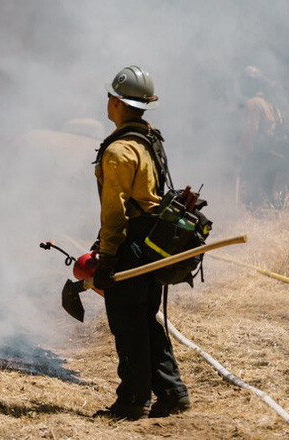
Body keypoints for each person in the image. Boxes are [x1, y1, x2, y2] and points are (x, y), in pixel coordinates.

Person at [91, 66, 190, 420]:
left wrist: (107, 258)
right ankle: (171, 393)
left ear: (117, 102)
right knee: (146, 319)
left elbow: (115, 210)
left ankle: (132, 400)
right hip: (152, 241)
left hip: (132, 244)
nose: (107, 102)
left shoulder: (119, 150)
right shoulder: (149, 140)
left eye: (109, 97)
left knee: (128, 322)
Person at [237, 66, 289, 206]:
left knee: (251, 196)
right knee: (267, 195)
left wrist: (242, 154)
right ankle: (272, 218)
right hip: (271, 156)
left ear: (251, 83)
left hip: (258, 156)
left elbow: (251, 130)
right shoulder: (270, 105)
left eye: (244, 81)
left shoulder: (253, 103)